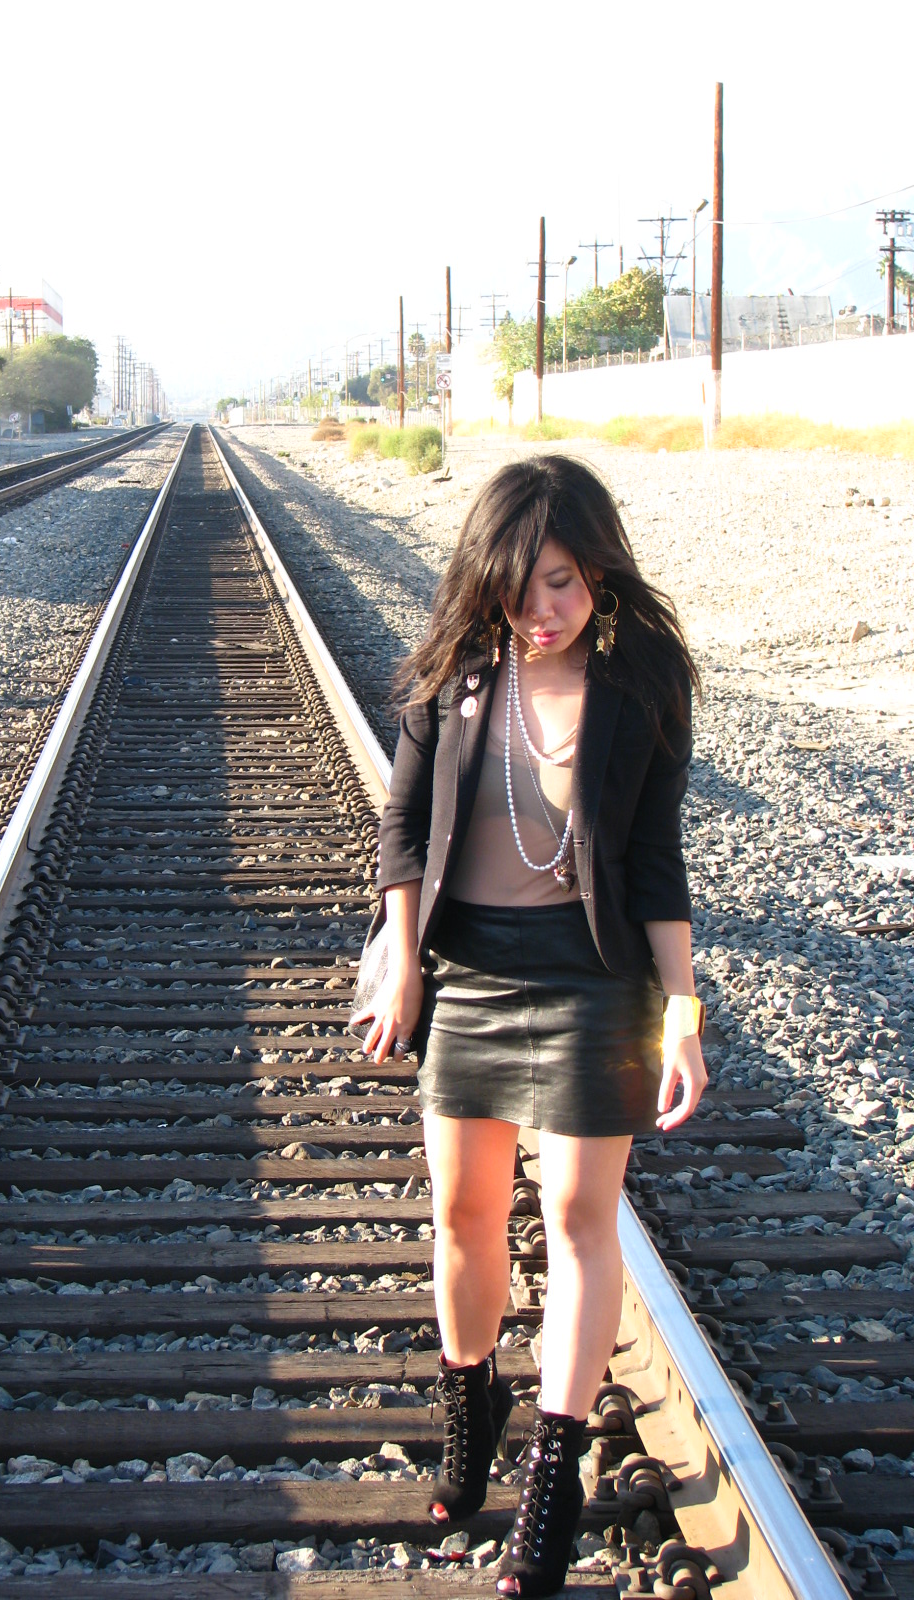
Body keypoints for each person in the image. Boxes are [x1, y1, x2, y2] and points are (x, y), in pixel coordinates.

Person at [351, 455, 706, 1599]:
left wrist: (683, 1017)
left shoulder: (642, 675)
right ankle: (471, 1402)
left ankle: (549, 1484)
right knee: (461, 1212)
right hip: (472, 970)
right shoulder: (457, 669)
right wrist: (401, 959)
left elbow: (655, 863)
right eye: (516, 588)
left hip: (597, 980)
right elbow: (402, 832)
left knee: (577, 1214)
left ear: (596, 566)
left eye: (559, 583)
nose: (539, 611)